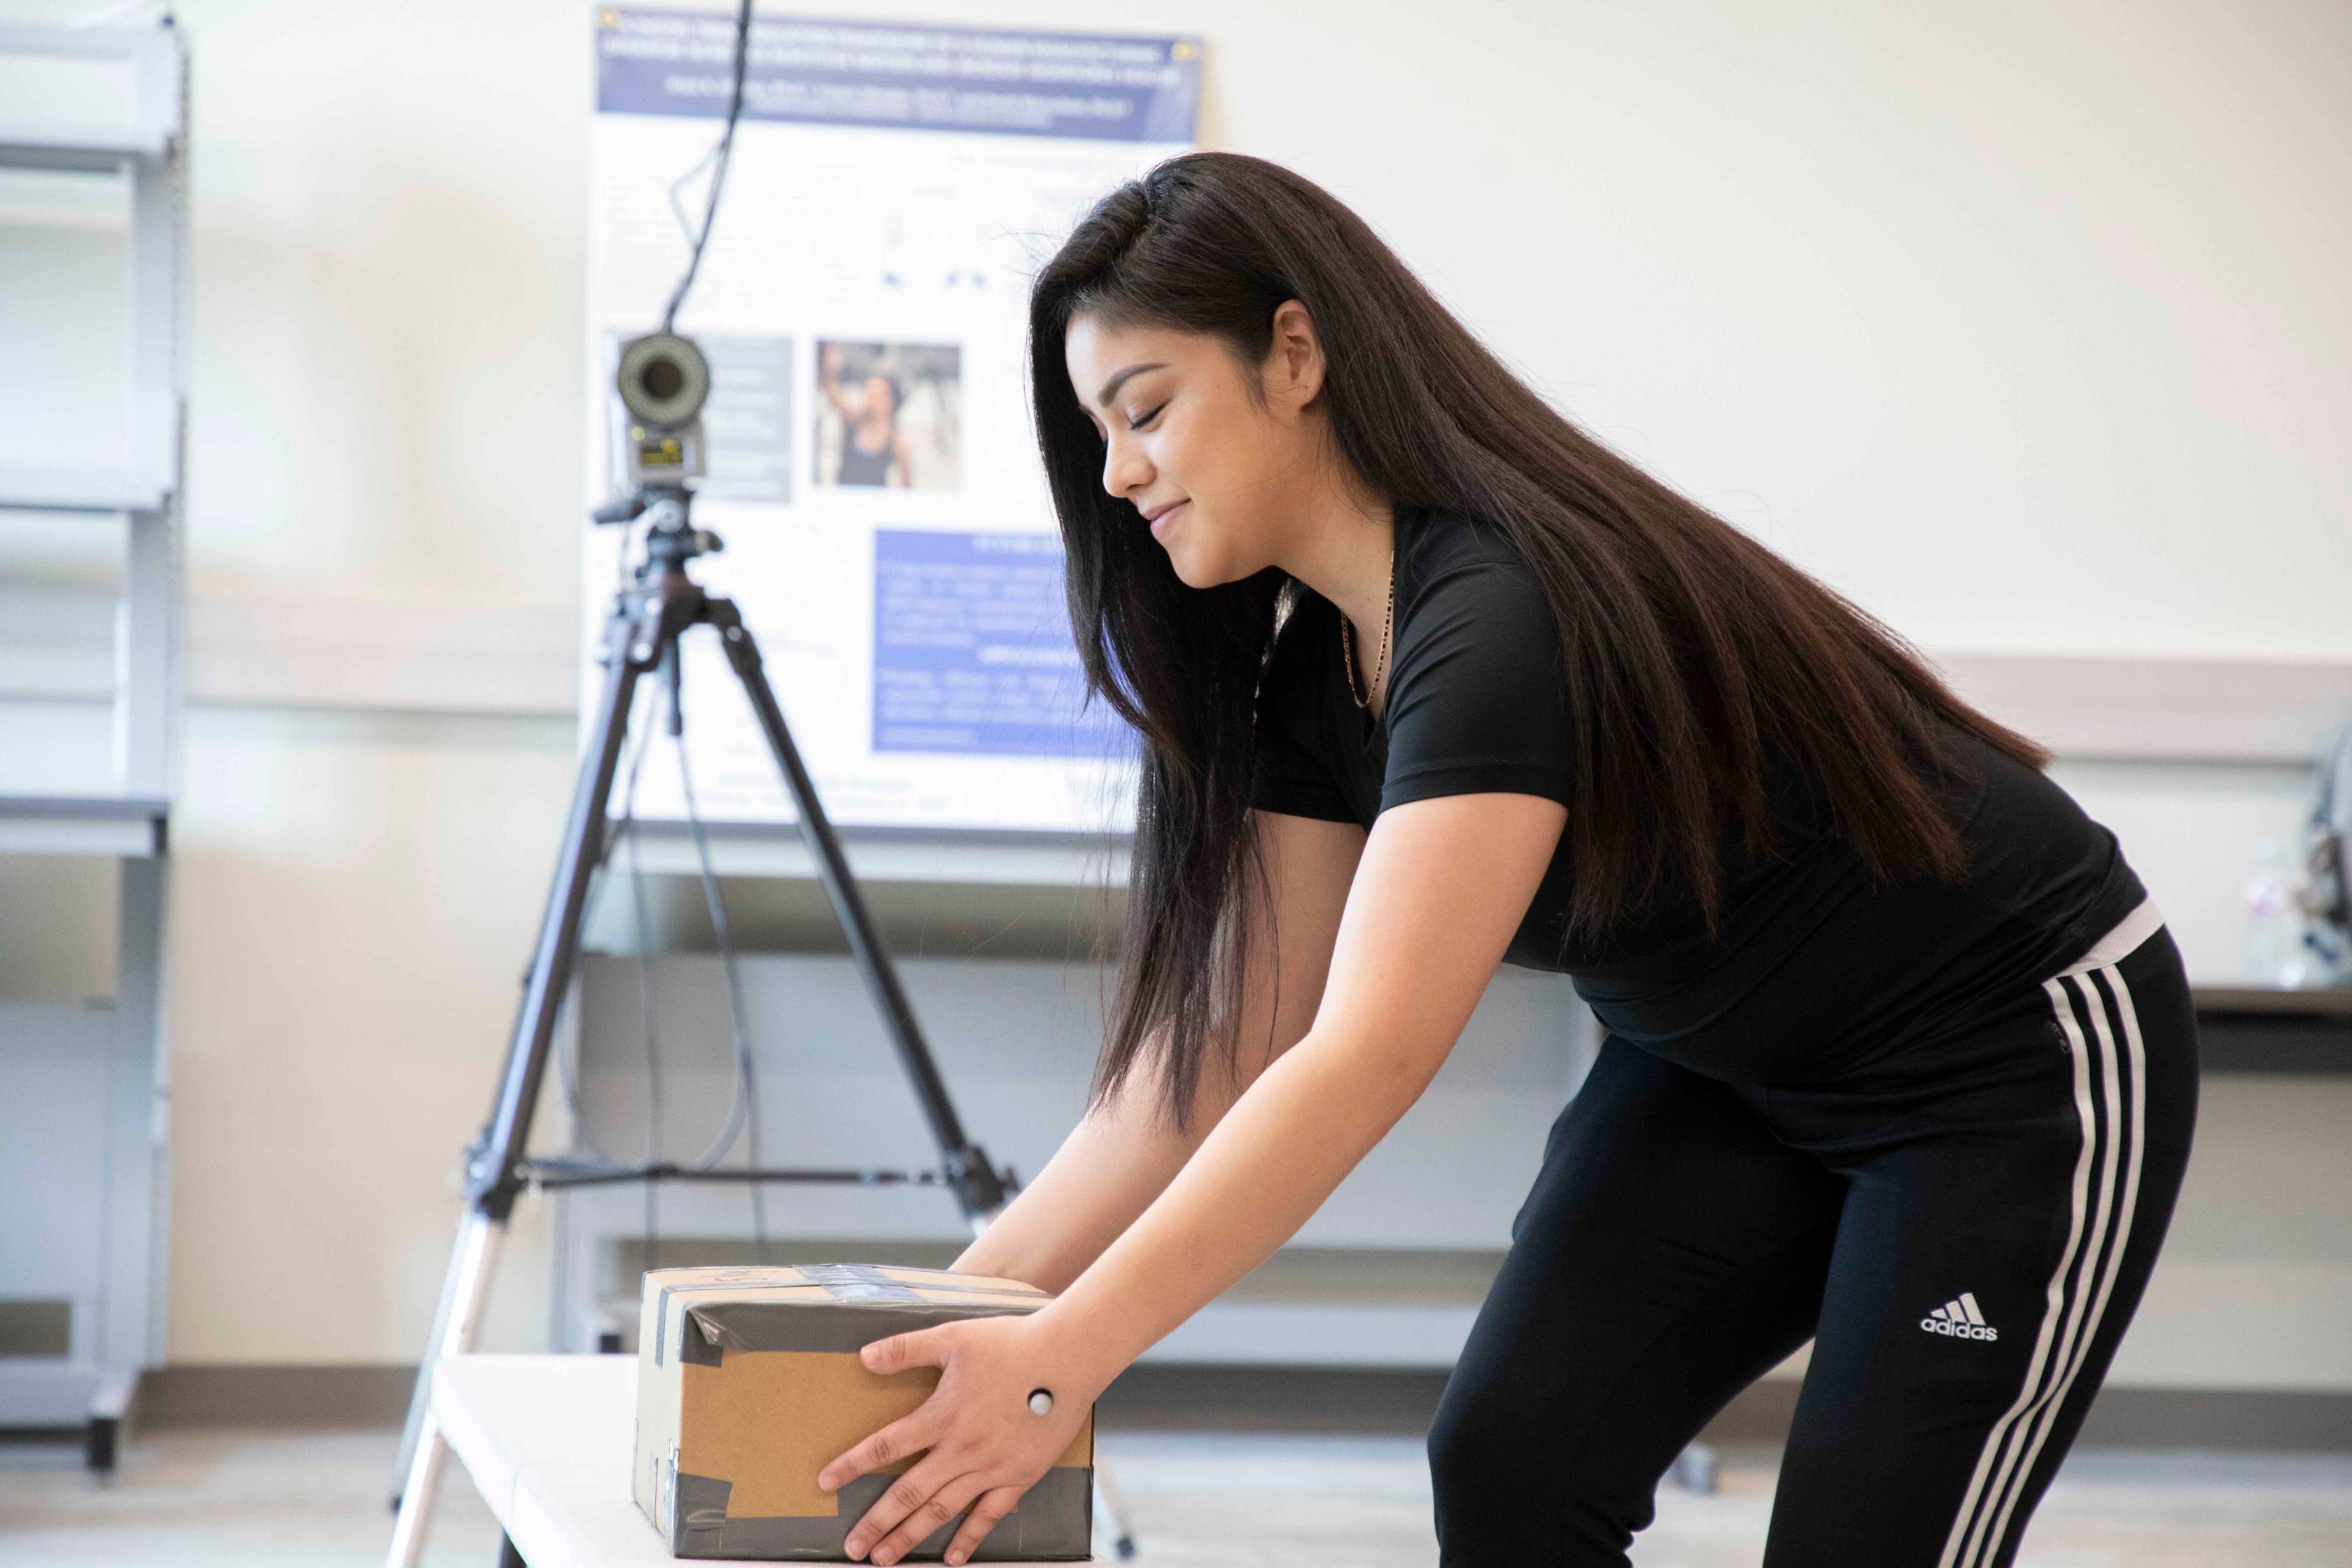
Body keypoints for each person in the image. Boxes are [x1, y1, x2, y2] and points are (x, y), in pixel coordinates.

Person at [812, 150, 2199, 1568]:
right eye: (1101, 433)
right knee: (1514, 1460)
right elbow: (1227, 1049)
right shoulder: (1310, 672)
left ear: (1294, 354)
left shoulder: (1496, 614)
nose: (1119, 474)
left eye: (1147, 410)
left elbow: (1367, 1055)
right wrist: (934, 1322)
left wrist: (1063, 1362)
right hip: (1725, 1063)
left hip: (2002, 1061)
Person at [820, 340, 913, 486]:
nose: (870, 397)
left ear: (891, 401)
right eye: (868, 391)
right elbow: (831, 391)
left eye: (877, 395)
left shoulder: (896, 441)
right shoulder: (854, 419)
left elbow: (908, 486)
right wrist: (828, 360)